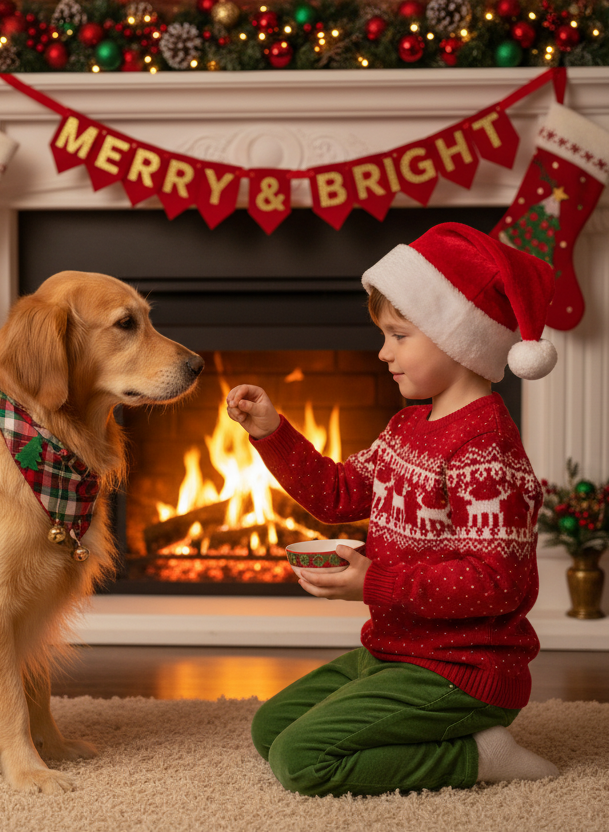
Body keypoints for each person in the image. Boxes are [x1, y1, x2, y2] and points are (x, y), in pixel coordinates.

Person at [226, 222, 561, 797]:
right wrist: (271, 431)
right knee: (270, 729)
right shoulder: (407, 427)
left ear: (457, 337)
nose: (383, 352)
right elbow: (336, 494)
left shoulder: (486, 451)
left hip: (463, 670)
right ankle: (431, 733)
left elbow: (496, 583)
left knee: (301, 762)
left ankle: (479, 756)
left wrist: (373, 581)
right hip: (394, 652)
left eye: (398, 335)